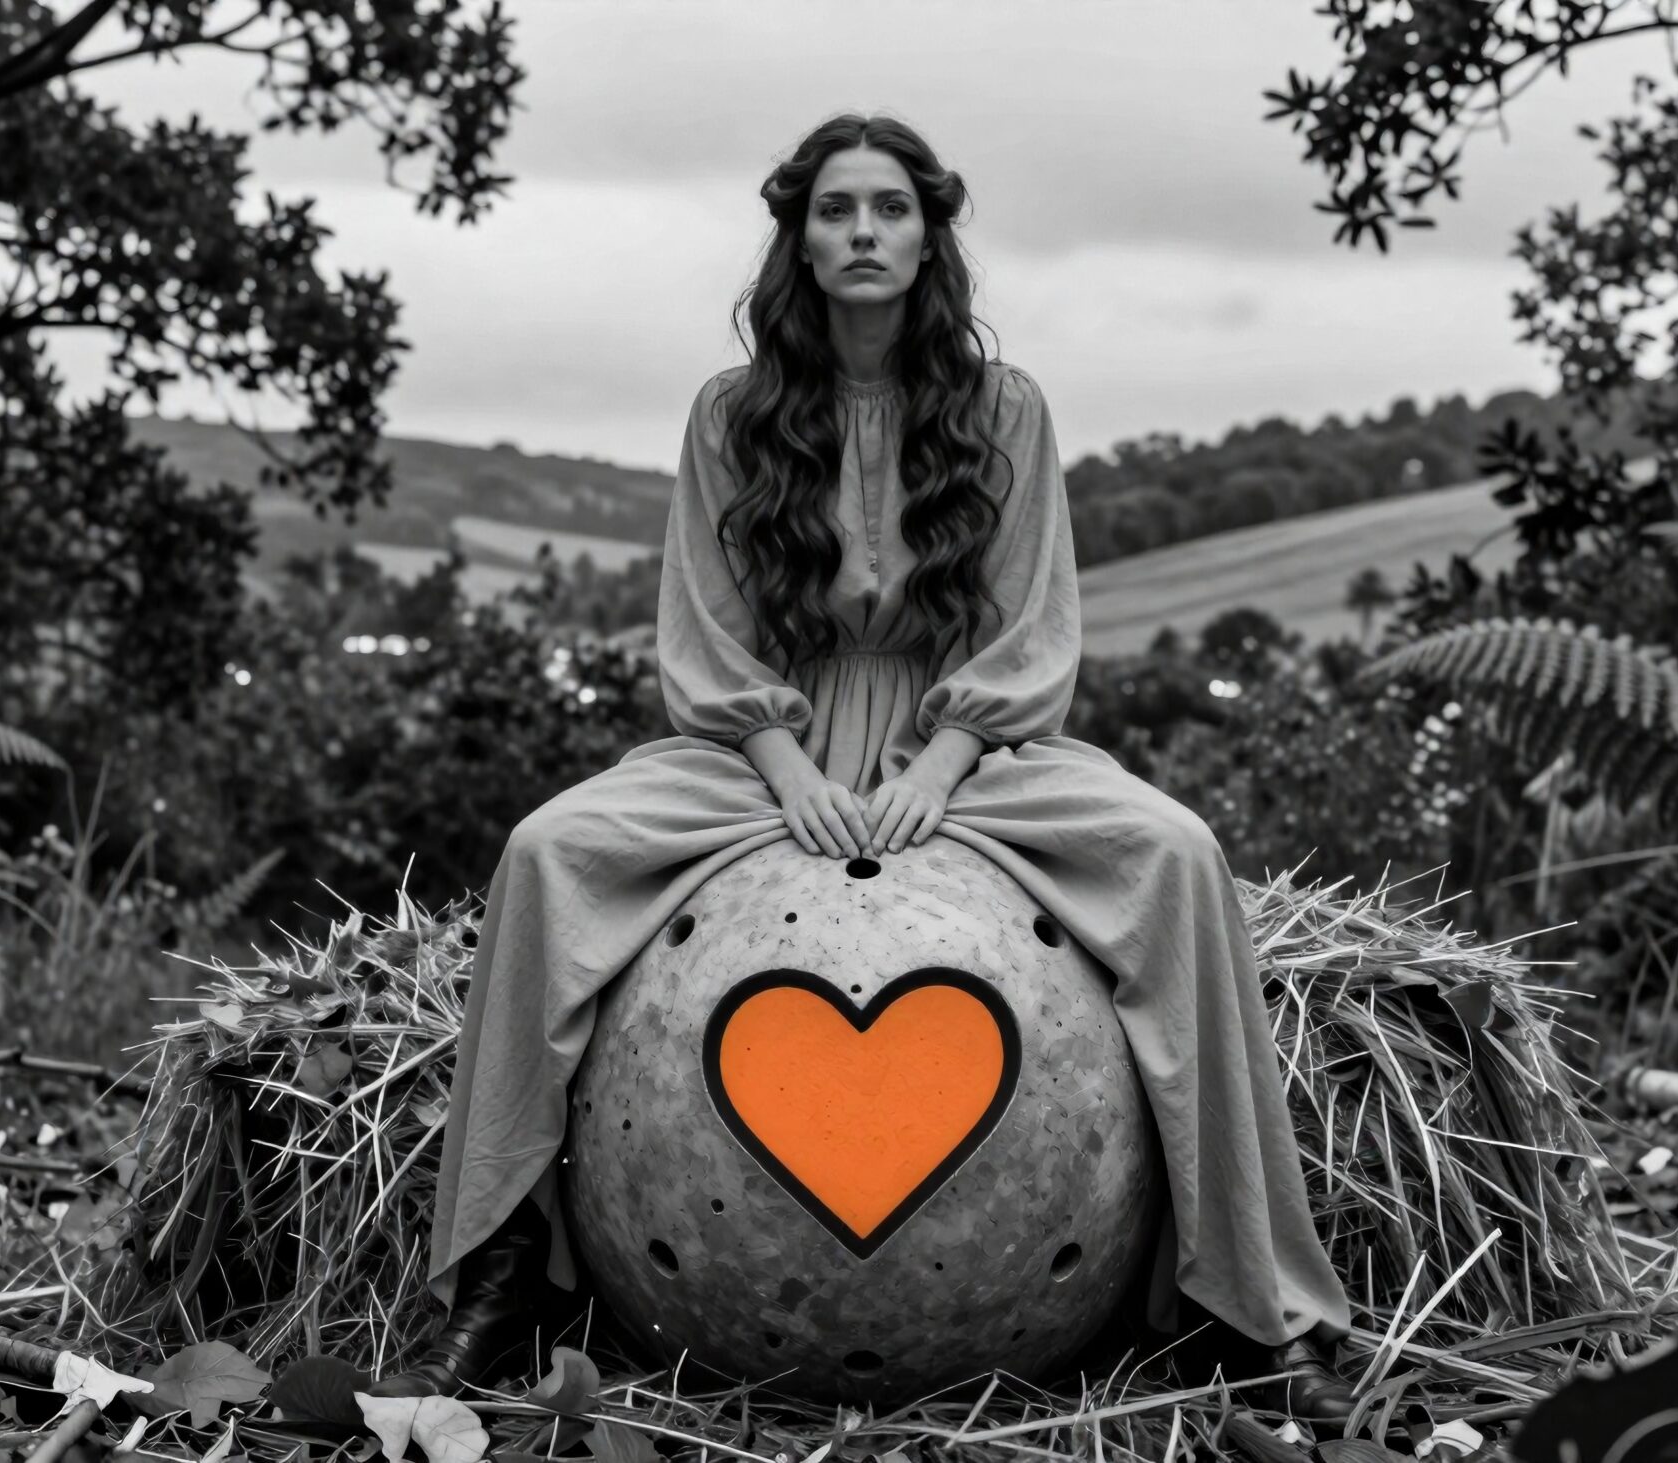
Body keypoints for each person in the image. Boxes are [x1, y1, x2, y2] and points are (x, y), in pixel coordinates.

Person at [376, 113, 1357, 1424]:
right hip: (761, 739)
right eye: (837, 212)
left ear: (929, 235)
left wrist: (943, 766)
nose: (863, 235)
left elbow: (1030, 626)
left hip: (973, 741)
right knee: (548, 853)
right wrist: (783, 768)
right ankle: (502, 1285)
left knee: (1177, 853)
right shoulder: (732, 414)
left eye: (889, 211)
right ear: (799, 239)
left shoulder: (1005, 407)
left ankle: (1252, 1305)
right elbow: (705, 629)